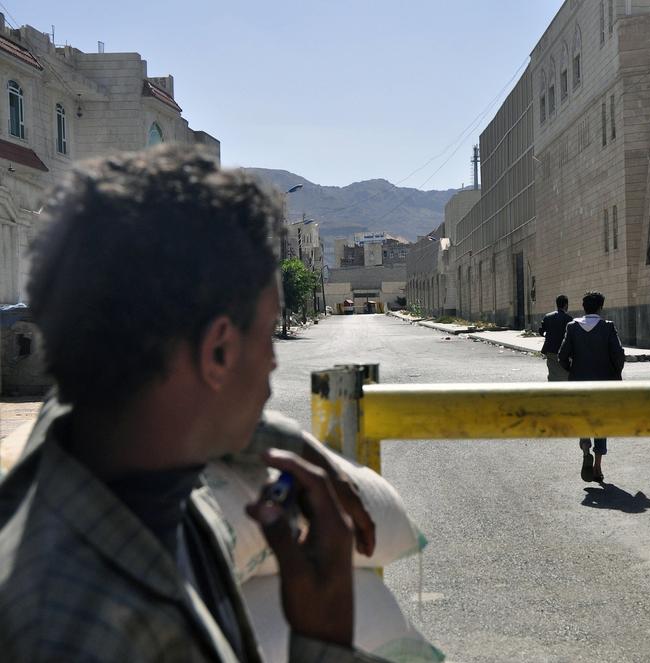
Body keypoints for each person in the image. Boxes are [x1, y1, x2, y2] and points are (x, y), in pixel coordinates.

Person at [0, 146, 383, 662]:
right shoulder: (86, 636)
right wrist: (324, 643)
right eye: (267, 336)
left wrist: (305, 451)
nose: (273, 361)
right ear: (219, 351)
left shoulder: (96, 429)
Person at [558, 291, 625, 483]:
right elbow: (618, 354)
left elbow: (562, 356)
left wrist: (572, 370)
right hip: (603, 384)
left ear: (583, 307)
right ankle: (597, 467)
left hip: (579, 383)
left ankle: (585, 445)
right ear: (600, 307)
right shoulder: (608, 327)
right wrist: (615, 373)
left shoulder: (572, 327)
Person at [538, 294, 572, 381]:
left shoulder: (548, 317)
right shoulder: (569, 319)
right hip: (564, 351)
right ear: (566, 305)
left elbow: (541, 331)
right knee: (565, 374)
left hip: (550, 350)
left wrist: (547, 335)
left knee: (552, 373)